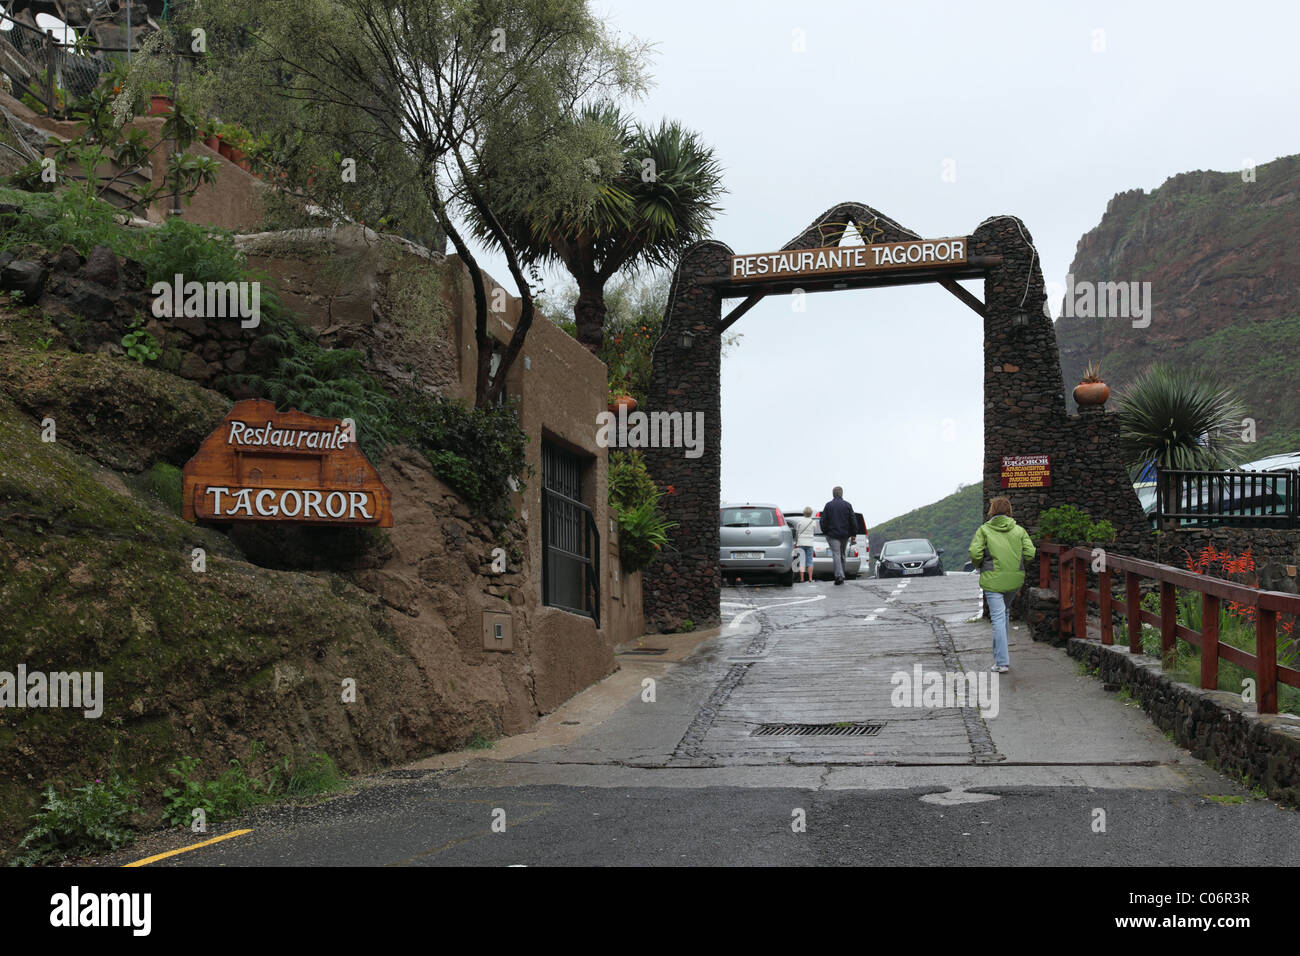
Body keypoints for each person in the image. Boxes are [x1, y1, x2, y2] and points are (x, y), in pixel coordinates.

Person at [968, 496, 1036, 673]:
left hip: (992, 579)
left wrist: (980, 565)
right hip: (1014, 579)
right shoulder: (1019, 530)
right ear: (1009, 511)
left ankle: (1002, 662)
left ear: (992, 511)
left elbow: (975, 553)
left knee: (998, 617)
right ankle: (1000, 657)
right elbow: (1030, 553)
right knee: (1003, 613)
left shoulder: (984, 530)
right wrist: (1018, 565)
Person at [819, 486, 857, 585]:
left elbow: (822, 521)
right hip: (845, 535)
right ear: (841, 493)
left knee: (836, 554)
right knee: (842, 554)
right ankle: (842, 575)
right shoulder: (847, 505)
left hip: (832, 535)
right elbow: (853, 520)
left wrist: (825, 532)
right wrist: (853, 534)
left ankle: (839, 576)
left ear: (833, 494)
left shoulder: (828, 505)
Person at [792, 506, 817, 582]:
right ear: (811, 513)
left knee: (801, 561)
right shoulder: (813, 522)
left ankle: (802, 579)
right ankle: (810, 578)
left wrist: (796, 542)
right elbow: (814, 532)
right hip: (809, 543)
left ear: (804, 513)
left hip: (801, 543)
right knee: (810, 561)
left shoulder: (800, 521)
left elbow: (797, 533)